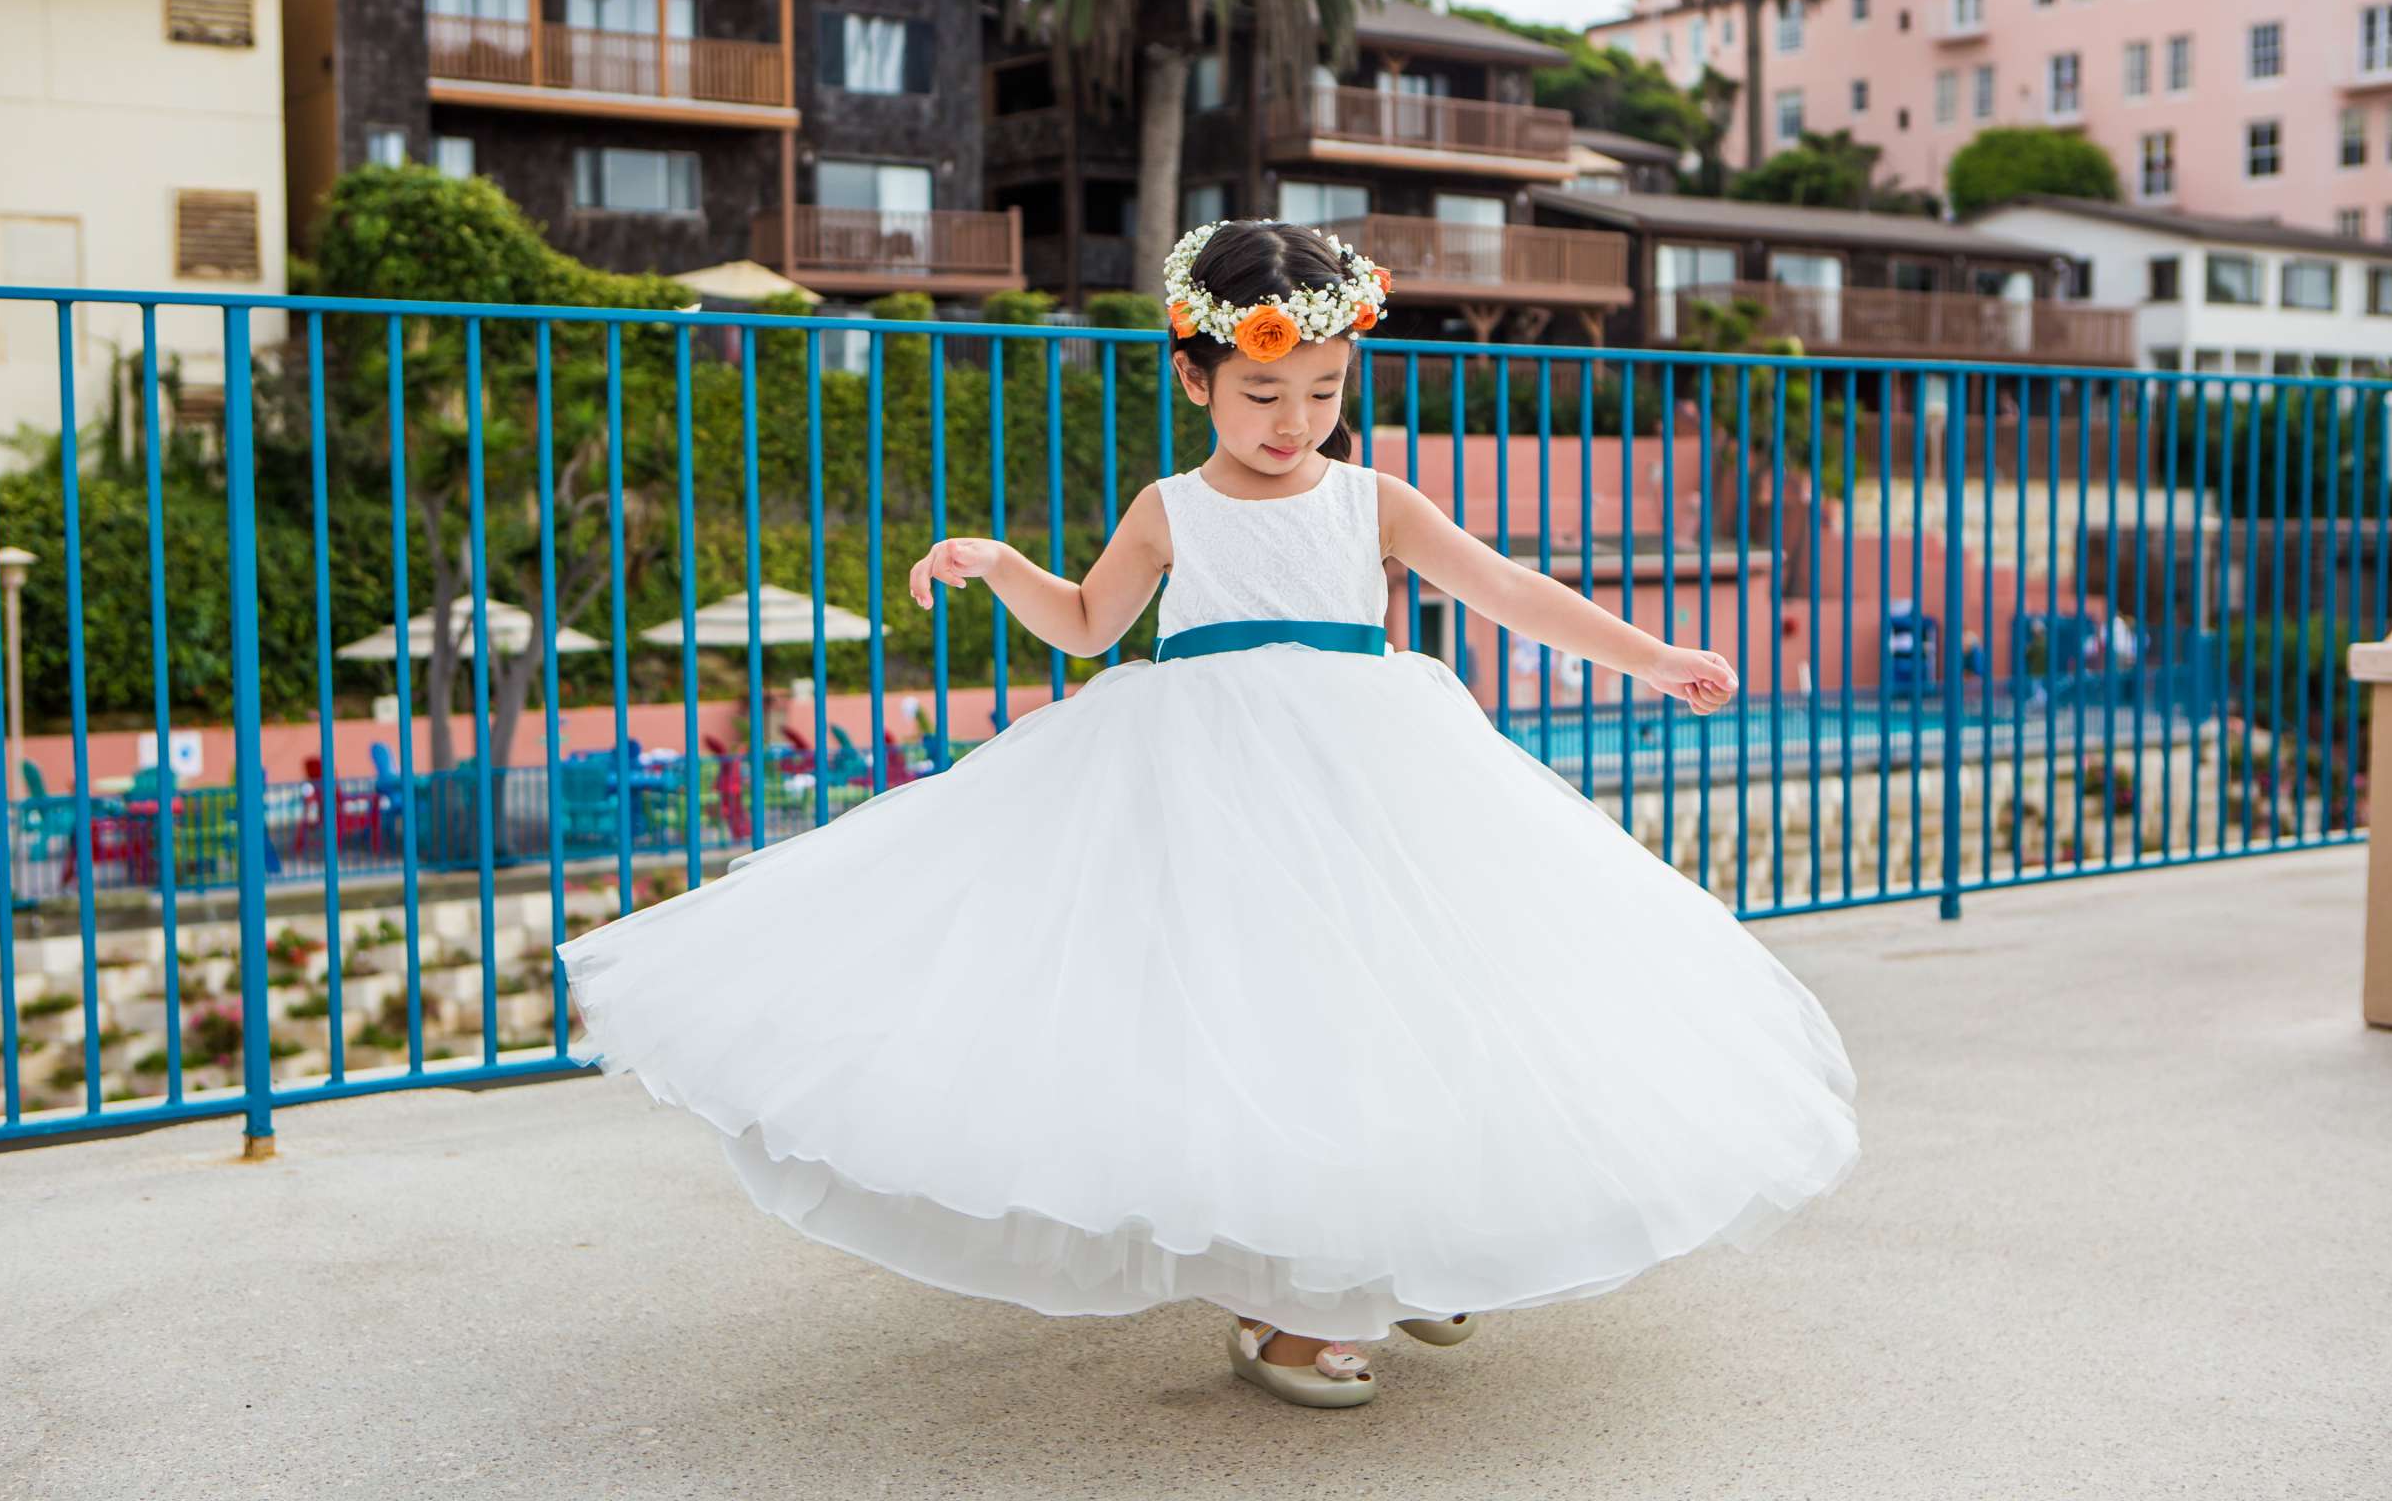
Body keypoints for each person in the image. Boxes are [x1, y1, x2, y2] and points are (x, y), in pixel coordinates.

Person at [559, 220, 1859, 1411]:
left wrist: (1652, 655)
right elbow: (1086, 624)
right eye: (1263, 394)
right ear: (1195, 379)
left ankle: (1425, 1238)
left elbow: (1507, 589)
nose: (1296, 421)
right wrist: (1000, 565)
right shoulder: (1169, 510)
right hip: (1206, 789)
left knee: (1408, 999)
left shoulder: (1373, 501)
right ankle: (1290, 1305)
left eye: (1323, 394)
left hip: (1374, 781)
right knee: (1258, 1019)